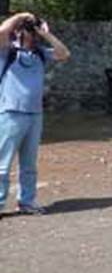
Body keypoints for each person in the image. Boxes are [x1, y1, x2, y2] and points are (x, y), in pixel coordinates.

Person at [0, 12, 71, 215]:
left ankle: (27, 202)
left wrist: (46, 34)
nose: (33, 34)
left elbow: (64, 54)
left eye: (34, 31)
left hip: (35, 114)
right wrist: (21, 17)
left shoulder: (40, 53)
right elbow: (1, 31)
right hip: (10, 113)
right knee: (2, 164)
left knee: (29, 165)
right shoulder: (7, 52)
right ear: (18, 32)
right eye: (29, 30)